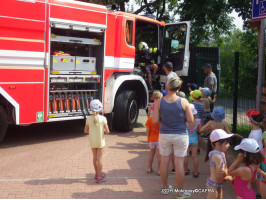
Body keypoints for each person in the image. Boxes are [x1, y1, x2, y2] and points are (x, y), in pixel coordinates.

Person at [153, 77, 194, 198]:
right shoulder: (184, 101)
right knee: (179, 164)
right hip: (180, 135)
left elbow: (155, 120)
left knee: (164, 162)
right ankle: (180, 193)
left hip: (164, 134)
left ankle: (165, 188)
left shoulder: (160, 101)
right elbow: (191, 120)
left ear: (167, 86)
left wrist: (164, 117)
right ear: (179, 88)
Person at [83, 99, 110, 184]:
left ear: (90, 108)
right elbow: (108, 131)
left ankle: (96, 174)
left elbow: (85, 131)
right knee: (100, 159)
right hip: (100, 141)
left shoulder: (88, 118)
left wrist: (91, 131)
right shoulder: (103, 118)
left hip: (92, 141)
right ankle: (99, 177)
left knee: (94, 158)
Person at [205, 129, 234, 199]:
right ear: (217, 144)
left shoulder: (222, 154)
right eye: (226, 143)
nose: (229, 145)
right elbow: (219, 175)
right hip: (213, 185)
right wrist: (228, 177)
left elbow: (225, 170)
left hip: (219, 184)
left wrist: (225, 173)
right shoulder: (217, 156)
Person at [246, 108, 264, 198]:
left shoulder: (254, 133)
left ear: (251, 121)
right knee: (256, 172)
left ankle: (257, 192)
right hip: (259, 153)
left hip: (254, 154)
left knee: (254, 172)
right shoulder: (259, 130)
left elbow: (251, 146)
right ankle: (258, 192)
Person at [184, 104, 201, 178]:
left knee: (186, 156)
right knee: (194, 156)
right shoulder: (198, 121)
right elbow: (200, 131)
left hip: (186, 139)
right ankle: (196, 171)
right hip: (195, 140)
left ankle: (185, 170)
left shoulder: (184, 121)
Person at [145, 105, 161, 175]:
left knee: (151, 154)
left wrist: (148, 138)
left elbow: (147, 131)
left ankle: (149, 168)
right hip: (159, 139)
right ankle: (159, 170)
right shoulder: (161, 119)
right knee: (158, 155)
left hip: (151, 139)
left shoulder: (149, 119)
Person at [258, 131, 266, 199]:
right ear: (263, 141)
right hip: (263, 179)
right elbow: (256, 168)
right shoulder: (261, 152)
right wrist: (263, 174)